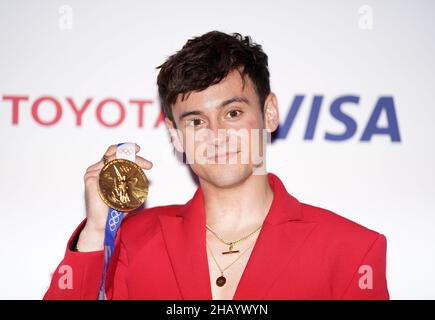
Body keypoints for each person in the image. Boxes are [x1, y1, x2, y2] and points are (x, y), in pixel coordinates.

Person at [44, 31, 389, 300]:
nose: (216, 135)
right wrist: (96, 231)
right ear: (175, 134)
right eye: (195, 121)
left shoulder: (352, 249)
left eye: (233, 113)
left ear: (269, 113)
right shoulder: (133, 239)